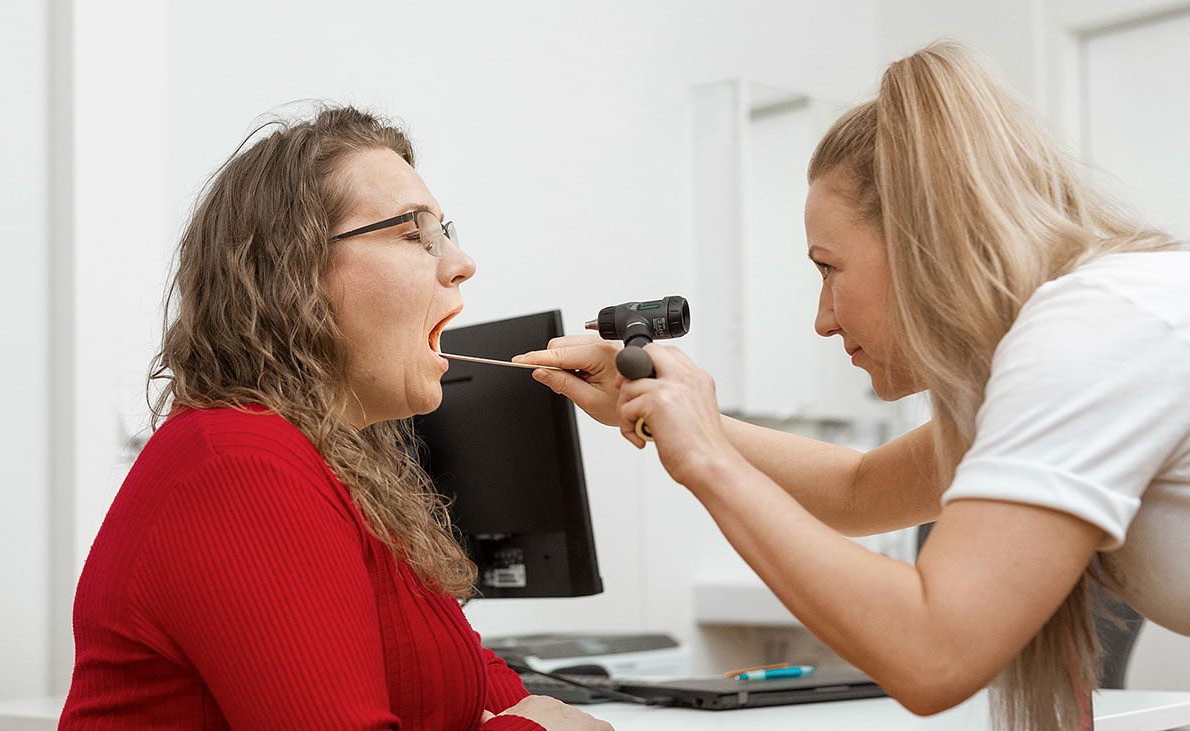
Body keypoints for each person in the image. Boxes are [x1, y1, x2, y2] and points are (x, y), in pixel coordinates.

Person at [517, 42, 1190, 731]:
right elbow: (860, 488)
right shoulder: (1082, 331)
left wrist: (707, 461)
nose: (823, 319)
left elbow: (934, 653)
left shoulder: (1094, 329)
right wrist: (669, 410)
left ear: (921, 238)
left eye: (828, 268)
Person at [59, 106, 611, 731]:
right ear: (293, 275)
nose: (461, 263)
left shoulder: (342, 465)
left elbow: (467, 676)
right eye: (414, 234)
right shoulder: (240, 465)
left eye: (445, 232)